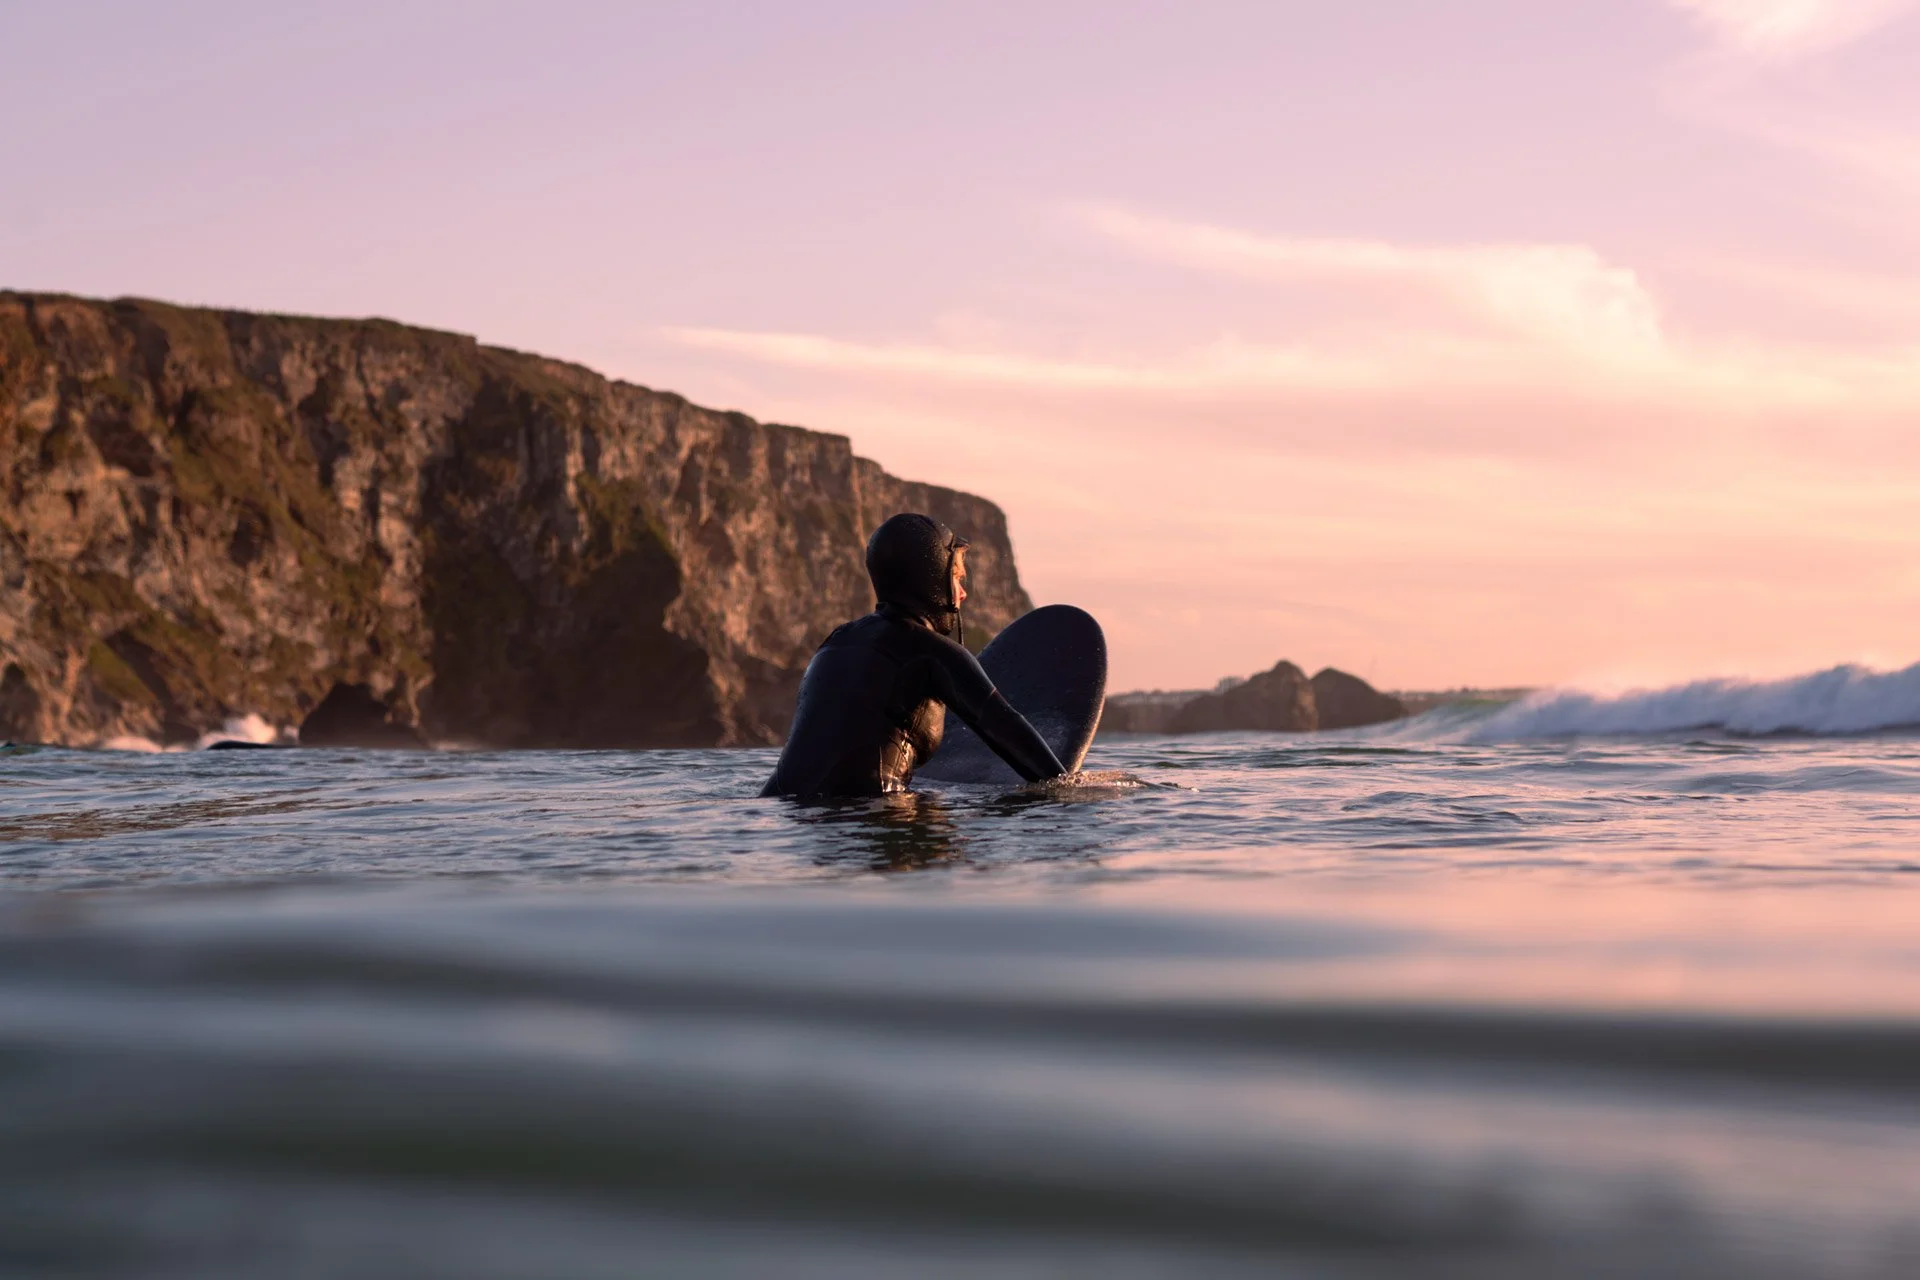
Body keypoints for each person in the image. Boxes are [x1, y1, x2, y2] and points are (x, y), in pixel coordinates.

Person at [760, 513, 1067, 798]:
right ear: (934, 579)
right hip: (869, 815)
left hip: (787, 813)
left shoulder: (836, 643)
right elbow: (1008, 730)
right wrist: (1072, 790)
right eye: (958, 579)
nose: (963, 593)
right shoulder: (931, 652)